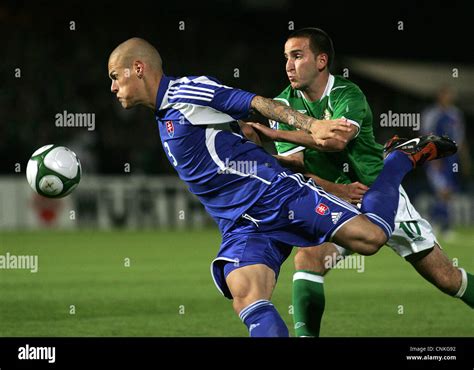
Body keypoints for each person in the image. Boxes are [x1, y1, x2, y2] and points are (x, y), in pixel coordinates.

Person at [107, 37, 456, 337]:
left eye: (114, 76)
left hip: (277, 197)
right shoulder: (162, 117)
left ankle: (397, 161)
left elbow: (256, 103)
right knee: (245, 294)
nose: (112, 87)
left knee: (371, 239)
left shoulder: (185, 91)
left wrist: (311, 125)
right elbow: (247, 148)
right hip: (240, 224)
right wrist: (331, 188)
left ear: (138, 68)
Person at [245, 28, 473, 337]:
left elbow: (337, 140)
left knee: (448, 279)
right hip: (334, 196)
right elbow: (297, 164)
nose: (288, 65)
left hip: (378, 191)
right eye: (286, 57)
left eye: (297, 56)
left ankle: (398, 157)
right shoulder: (282, 106)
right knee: (308, 259)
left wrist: (275, 135)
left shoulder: (346, 94)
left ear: (321, 60)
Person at [421, 86, 471, 239]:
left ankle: (442, 224)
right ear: (439, 96)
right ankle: (435, 222)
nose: (448, 97)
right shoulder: (431, 113)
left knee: (448, 192)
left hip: (452, 158)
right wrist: (431, 157)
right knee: (442, 190)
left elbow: (460, 137)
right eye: (445, 94)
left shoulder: (455, 114)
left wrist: (464, 159)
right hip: (437, 156)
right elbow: (425, 135)